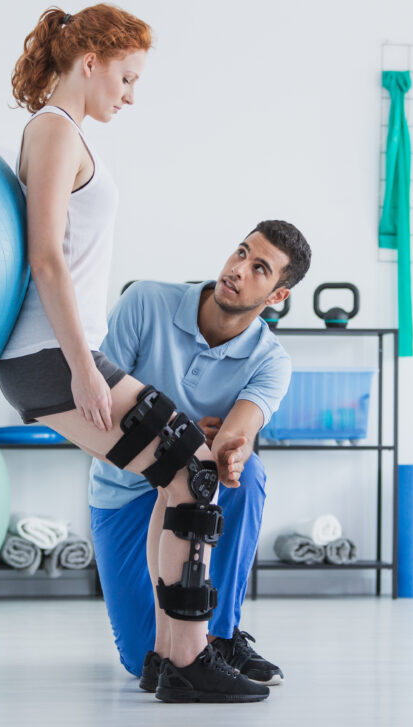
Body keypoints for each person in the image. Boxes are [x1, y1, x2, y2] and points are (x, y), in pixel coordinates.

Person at [0, 5, 267, 703]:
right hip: (53, 354)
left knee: (182, 476)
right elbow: (46, 258)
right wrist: (86, 366)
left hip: (53, 353)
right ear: (91, 63)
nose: (131, 94)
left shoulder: (62, 132)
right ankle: (185, 659)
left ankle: (169, 656)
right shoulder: (55, 132)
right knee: (194, 472)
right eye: (127, 76)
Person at [89, 220, 312, 692]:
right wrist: (185, 429)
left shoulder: (272, 361)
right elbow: (96, 410)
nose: (237, 269)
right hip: (122, 493)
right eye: (240, 252)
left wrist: (227, 445)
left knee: (244, 472)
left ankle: (222, 638)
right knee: (144, 658)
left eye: (258, 268)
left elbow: (237, 433)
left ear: (277, 297)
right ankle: (197, 642)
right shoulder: (146, 302)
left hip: (195, 492)